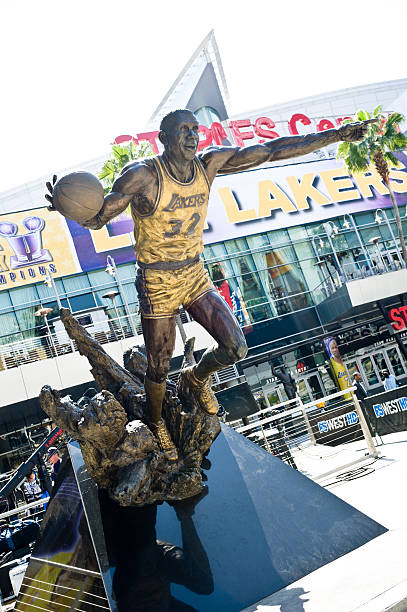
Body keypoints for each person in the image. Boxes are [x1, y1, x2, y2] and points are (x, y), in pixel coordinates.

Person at [46, 110, 371, 461]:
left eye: (194, 129)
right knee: (157, 367)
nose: (191, 136)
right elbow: (99, 217)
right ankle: (156, 425)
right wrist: (71, 207)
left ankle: (195, 376)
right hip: (157, 280)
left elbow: (272, 150)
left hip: (194, 273)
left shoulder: (210, 163)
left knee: (235, 348)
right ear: (164, 138)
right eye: (182, 130)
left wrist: (336, 135)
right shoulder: (143, 175)